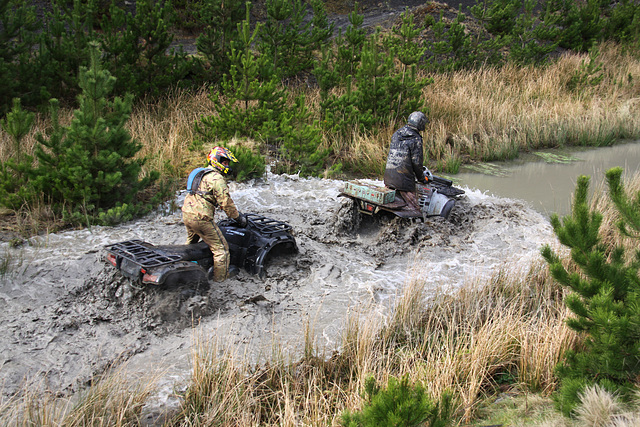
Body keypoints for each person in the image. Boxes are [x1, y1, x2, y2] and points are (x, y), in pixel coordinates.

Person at [181, 146, 247, 282]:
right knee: (221, 249)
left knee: (190, 245)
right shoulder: (217, 179)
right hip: (201, 219)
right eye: (225, 162)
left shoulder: (200, 173)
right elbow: (226, 203)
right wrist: (238, 218)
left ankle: (184, 268)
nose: (227, 165)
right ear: (217, 160)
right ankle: (220, 280)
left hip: (187, 214)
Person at [383, 111, 430, 211]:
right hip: (404, 182)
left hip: (389, 178)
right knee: (415, 210)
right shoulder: (416, 139)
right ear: (420, 123)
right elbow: (417, 163)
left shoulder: (396, 134)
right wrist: (422, 178)